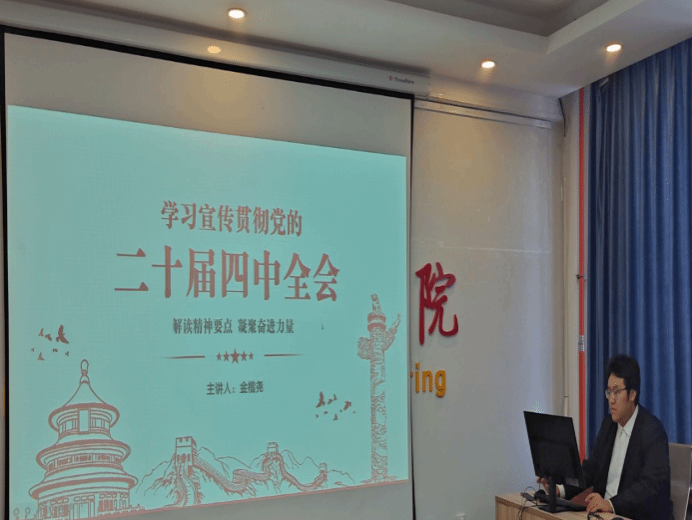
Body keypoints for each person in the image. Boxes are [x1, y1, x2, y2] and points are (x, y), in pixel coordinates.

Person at [539, 355, 673, 520]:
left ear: (632, 394)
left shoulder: (652, 430)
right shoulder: (608, 425)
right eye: (609, 392)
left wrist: (610, 504)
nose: (611, 400)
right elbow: (591, 470)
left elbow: (650, 486)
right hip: (604, 516)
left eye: (616, 392)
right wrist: (559, 489)